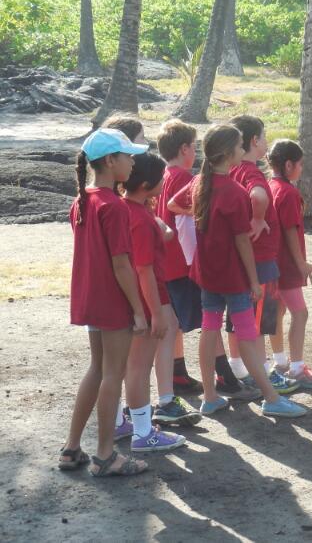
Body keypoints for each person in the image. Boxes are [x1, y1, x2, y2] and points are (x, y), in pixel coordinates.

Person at [187, 124, 307, 418]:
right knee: (249, 336)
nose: (244, 150)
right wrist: (254, 281)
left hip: (209, 275)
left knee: (210, 329)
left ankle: (210, 396)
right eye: (240, 146)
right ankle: (271, 398)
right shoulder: (234, 192)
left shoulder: (200, 185)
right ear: (229, 153)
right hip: (233, 277)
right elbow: (242, 242)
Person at [59, 128, 149, 477]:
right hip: (112, 300)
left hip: (91, 297)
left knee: (97, 369)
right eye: (128, 156)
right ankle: (105, 455)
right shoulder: (114, 206)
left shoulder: (83, 199)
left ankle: (71, 448)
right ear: (111, 161)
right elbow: (121, 264)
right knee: (113, 373)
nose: (133, 162)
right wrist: (138, 310)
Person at [122, 152, 192, 450]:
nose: (165, 182)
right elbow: (144, 269)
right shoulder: (139, 218)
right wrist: (155, 312)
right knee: (138, 367)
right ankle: (143, 432)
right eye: (161, 178)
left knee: (129, 365)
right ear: (146, 185)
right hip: (147, 297)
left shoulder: (127, 209)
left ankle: (126, 422)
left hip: (137, 298)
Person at [227, 115, 299, 396]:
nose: (266, 142)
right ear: (254, 140)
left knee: (240, 318)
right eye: (264, 136)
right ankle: (264, 375)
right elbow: (258, 197)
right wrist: (257, 219)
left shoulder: (229, 170)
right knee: (257, 324)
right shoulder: (251, 172)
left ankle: (239, 368)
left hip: (240, 259)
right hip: (259, 260)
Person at [154, 120, 212, 398]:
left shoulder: (165, 175)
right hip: (181, 262)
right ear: (184, 148)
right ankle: (221, 375)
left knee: (175, 324)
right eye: (194, 146)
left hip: (167, 261)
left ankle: (178, 374)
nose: (196, 152)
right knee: (205, 319)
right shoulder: (183, 178)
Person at [267, 139, 312, 389]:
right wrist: (301, 263)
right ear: (289, 165)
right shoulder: (289, 193)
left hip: (272, 264)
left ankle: (281, 362)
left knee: (278, 312)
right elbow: (290, 230)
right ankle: (297, 368)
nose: (302, 169)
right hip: (287, 265)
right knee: (300, 314)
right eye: (300, 164)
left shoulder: (269, 186)